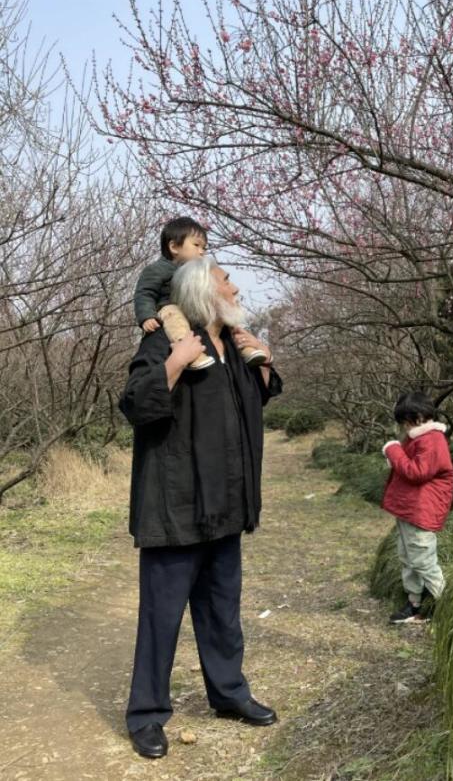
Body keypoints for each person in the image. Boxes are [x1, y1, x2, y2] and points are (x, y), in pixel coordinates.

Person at [119, 255, 282, 759]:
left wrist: (266, 362)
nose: (235, 288)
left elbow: (255, 403)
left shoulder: (235, 346)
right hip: (177, 505)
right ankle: (146, 714)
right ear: (203, 294)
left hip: (226, 504)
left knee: (222, 612)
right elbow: (135, 404)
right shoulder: (165, 341)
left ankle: (229, 694)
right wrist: (174, 361)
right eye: (226, 281)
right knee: (162, 618)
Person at [134, 215, 267, 369]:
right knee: (175, 319)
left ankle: (246, 349)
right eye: (196, 245)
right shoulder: (157, 270)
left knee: (226, 315)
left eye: (204, 247)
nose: (201, 251)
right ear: (174, 247)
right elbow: (144, 293)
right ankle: (193, 355)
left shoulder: (195, 272)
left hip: (191, 307)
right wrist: (146, 316)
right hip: (169, 308)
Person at [381, 392, 453, 624]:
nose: (405, 425)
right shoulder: (419, 438)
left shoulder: (432, 439)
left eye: (407, 420)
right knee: (408, 557)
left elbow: (417, 472)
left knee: (423, 560)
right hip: (411, 508)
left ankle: (449, 608)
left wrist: (392, 450)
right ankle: (415, 604)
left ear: (421, 416)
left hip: (422, 510)